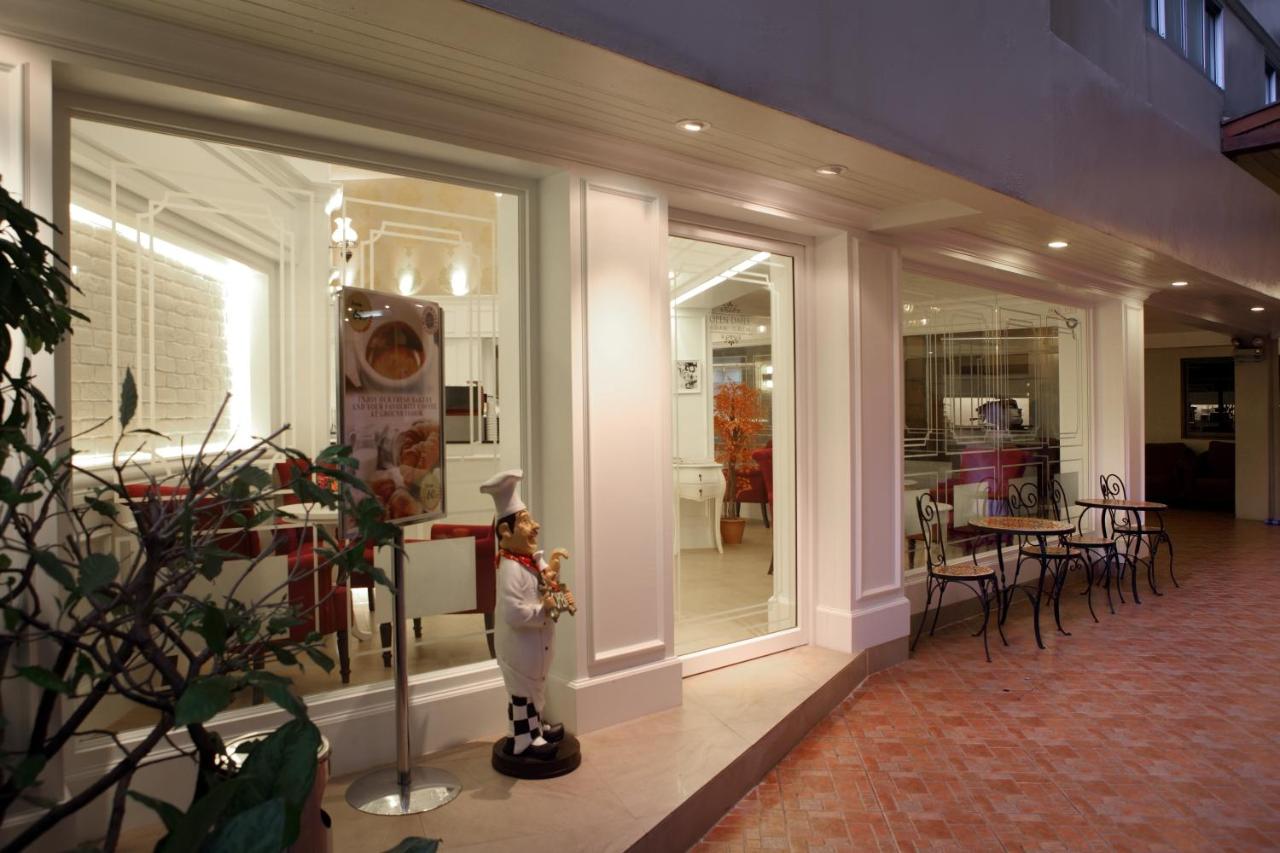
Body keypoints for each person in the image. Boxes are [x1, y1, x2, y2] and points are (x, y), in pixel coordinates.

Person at [480, 470, 576, 758]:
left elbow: (548, 583)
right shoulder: (511, 569)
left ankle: (535, 729)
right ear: (505, 532)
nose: (536, 526)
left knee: (535, 691)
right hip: (520, 651)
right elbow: (513, 614)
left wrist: (558, 591)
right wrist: (543, 609)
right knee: (522, 693)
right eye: (525, 521)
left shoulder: (529, 560)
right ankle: (524, 739)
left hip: (535, 649)